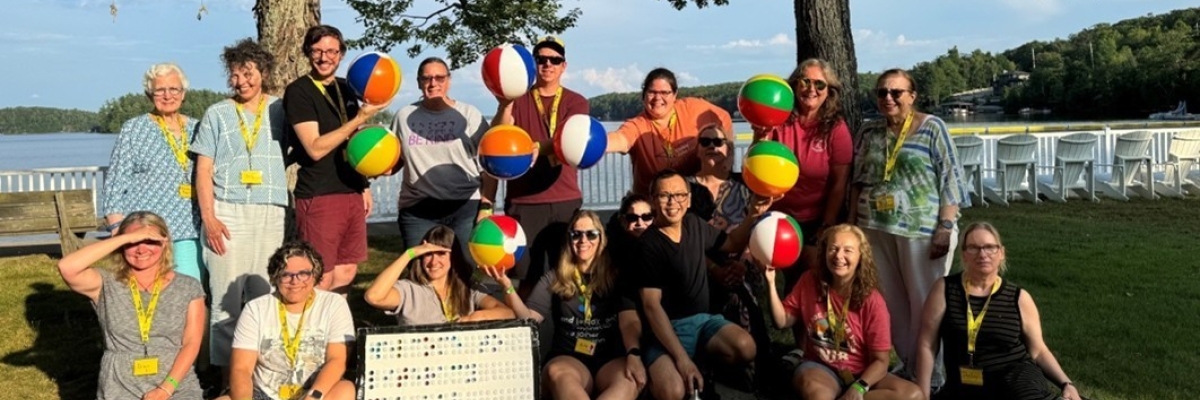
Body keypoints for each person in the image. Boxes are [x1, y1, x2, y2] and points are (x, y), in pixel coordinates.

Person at [849, 68, 969, 383]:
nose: (887, 98)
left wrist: (945, 226)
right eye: (881, 92)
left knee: (925, 302)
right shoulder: (868, 132)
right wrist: (851, 226)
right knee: (891, 302)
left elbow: (951, 178)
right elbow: (857, 181)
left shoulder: (932, 127)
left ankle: (933, 375)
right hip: (874, 228)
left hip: (922, 229)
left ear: (912, 96)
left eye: (896, 92)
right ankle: (910, 365)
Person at [192, 38, 289, 371]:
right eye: (235, 74)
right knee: (225, 298)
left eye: (248, 73)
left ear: (263, 72)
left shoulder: (280, 109)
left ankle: (263, 371)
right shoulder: (217, 113)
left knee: (266, 292)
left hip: (271, 210)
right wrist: (210, 217)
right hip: (228, 210)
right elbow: (203, 169)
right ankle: (224, 375)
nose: (242, 81)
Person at [753, 58, 854, 368]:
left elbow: (838, 183)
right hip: (780, 216)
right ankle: (801, 348)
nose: (811, 88)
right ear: (794, 85)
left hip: (817, 216)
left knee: (818, 280)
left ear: (829, 91)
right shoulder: (778, 120)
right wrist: (759, 133)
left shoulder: (835, 128)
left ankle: (829, 348)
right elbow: (758, 160)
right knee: (792, 282)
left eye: (819, 84)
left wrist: (826, 224)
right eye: (805, 81)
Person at [637, 169, 771, 400]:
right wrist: (681, 359)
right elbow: (651, 306)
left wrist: (752, 215)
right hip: (665, 330)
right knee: (672, 392)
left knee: (745, 347)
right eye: (664, 195)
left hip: (702, 321)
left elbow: (731, 243)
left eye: (679, 195)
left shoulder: (694, 224)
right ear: (652, 200)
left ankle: (703, 371)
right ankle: (665, 375)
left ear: (688, 200)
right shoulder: (648, 244)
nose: (673, 202)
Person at [483, 211, 645, 399]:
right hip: (570, 356)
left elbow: (629, 322)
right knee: (559, 374)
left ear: (601, 238)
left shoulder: (616, 275)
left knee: (629, 380)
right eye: (576, 234)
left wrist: (634, 354)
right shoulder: (555, 276)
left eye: (590, 234)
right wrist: (508, 287)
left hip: (609, 358)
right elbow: (529, 320)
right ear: (569, 240)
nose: (583, 240)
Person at [914, 223, 1082, 400]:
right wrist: (923, 394)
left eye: (990, 247)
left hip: (1015, 377)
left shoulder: (1019, 297)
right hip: (966, 383)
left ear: (1001, 253)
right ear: (964, 254)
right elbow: (927, 344)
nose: (982, 254)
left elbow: (1039, 351)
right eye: (973, 247)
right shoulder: (945, 289)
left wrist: (1066, 383)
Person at [284, 25, 392, 296]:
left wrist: (364, 185)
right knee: (321, 276)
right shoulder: (299, 91)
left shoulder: (348, 88)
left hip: (351, 192)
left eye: (332, 51)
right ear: (307, 53)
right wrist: (360, 118)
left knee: (347, 271)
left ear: (341, 54)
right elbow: (315, 148)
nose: (324, 57)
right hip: (319, 195)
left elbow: (355, 142)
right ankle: (312, 335)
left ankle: (337, 335)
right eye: (318, 51)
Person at [57, 211, 206, 400]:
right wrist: (124, 237)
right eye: (133, 243)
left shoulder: (188, 286)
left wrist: (166, 389)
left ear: (165, 242)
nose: (141, 249)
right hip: (119, 385)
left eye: (149, 241)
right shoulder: (105, 283)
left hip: (176, 384)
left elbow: (191, 343)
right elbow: (67, 267)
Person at [763, 224, 920, 400]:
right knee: (818, 394)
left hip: (862, 373)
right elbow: (782, 321)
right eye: (833, 249)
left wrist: (859, 388)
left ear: (861, 256)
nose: (839, 256)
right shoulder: (809, 280)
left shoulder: (873, 301)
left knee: (913, 395)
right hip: (820, 367)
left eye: (848, 250)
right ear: (824, 252)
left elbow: (881, 361)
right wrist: (770, 283)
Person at [484, 36, 589, 298]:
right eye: (541, 59)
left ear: (564, 66)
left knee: (567, 275)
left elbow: (570, 139)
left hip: (564, 199)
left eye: (555, 60)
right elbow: (498, 135)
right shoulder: (517, 98)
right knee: (525, 277)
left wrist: (537, 147)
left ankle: (566, 332)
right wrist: (504, 103)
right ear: (533, 64)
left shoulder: (576, 102)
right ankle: (526, 330)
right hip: (523, 201)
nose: (548, 65)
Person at [684, 123, 769, 388]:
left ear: (729, 151)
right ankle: (704, 363)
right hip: (698, 263)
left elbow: (757, 229)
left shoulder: (744, 187)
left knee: (740, 291)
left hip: (740, 261)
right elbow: (683, 238)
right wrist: (713, 268)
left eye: (718, 142)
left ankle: (748, 366)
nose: (712, 147)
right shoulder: (683, 189)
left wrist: (742, 261)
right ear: (697, 150)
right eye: (705, 142)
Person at [102, 63, 205, 282]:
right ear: (150, 95)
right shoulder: (134, 129)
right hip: (145, 233)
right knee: (147, 292)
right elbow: (114, 183)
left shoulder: (199, 129)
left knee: (189, 291)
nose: (167, 95)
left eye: (174, 89)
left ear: (183, 93)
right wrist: (117, 229)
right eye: (160, 90)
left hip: (190, 230)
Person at [219, 241, 356, 400]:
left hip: (314, 392)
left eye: (303, 273)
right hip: (262, 394)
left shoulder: (334, 304)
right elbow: (241, 369)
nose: (295, 281)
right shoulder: (255, 309)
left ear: (315, 275)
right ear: (275, 278)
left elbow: (337, 360)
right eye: (286, 275)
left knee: (345, 390)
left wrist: (313, 396)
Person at [389, 57, 490, 258]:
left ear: (449, 80)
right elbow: (393, 160)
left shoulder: (469, 114)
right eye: (426, 78)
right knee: (419, 270)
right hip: (418, 208)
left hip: (465, 206)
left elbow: (490, 164)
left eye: (439, 78)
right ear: (419, 82)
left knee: (462, 271)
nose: (433, 83)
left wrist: (487, 205)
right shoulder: (404, 116)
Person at [605, 68, 734, 195]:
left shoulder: (693, 109)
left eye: (664, 93)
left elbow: (723, 117)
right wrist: (594, 143)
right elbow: (620, 139)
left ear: (675, 95)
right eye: (652, 92)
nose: (657, 98)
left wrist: (727, 158)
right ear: (643, 94)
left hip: (693, 202)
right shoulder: (638, 125)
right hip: (652, 206)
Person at [364, 224, 514, 324]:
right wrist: (409, 254)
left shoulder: (468, 287)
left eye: (441, 254)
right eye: (428, 254)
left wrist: (477, 316)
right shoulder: (408, 289)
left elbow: (508, 313)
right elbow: (373, 297)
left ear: (453, 257)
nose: (433, 262)